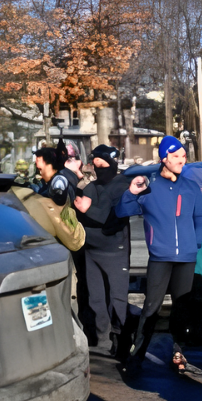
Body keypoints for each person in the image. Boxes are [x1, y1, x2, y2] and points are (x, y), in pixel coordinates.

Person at [115, 136, 202, 374]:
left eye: (184, 156)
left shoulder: (190, 187)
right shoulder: (150, 186)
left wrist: (195, 243)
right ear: (164, 158)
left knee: (182, 308)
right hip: (160, 257)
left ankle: (178, 352)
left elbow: (201, 216)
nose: (182, 160)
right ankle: (137, 357)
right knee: (151, 308)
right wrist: (131, 192)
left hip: (186, 257)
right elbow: (122, 211)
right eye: (176, 156)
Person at [75, 145, 132, 356]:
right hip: (92, 250)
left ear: (113, 164)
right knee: (96, 299)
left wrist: (88, 209)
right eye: (96, 165)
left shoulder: (122, 186)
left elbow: (114, 217)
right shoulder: (91, 187)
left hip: (115, 250)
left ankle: (122, 341)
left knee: (117, 299)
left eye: (104, 165)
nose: (100, 170)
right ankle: (102, 340)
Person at [8, 145, 86, 251]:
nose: (40, 172)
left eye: (40, 169)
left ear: (50, 165)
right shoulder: (50, 180)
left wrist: (55, 193)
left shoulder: (59, 180)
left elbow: (59, 198)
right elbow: (38, 189)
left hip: (62, 238)